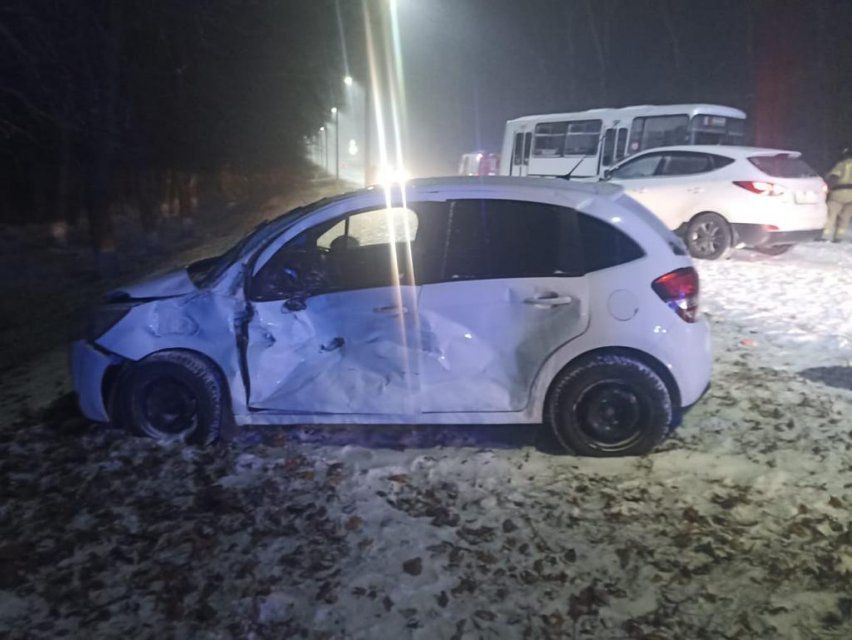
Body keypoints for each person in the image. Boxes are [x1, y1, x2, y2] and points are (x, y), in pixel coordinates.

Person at [824, 147, 852, 242]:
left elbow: (834, 177)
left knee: (831, 215)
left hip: (838, 193)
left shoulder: (842, 164)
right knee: (845, 217)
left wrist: (827, 189)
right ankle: (839, 237)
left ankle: (825, 235)